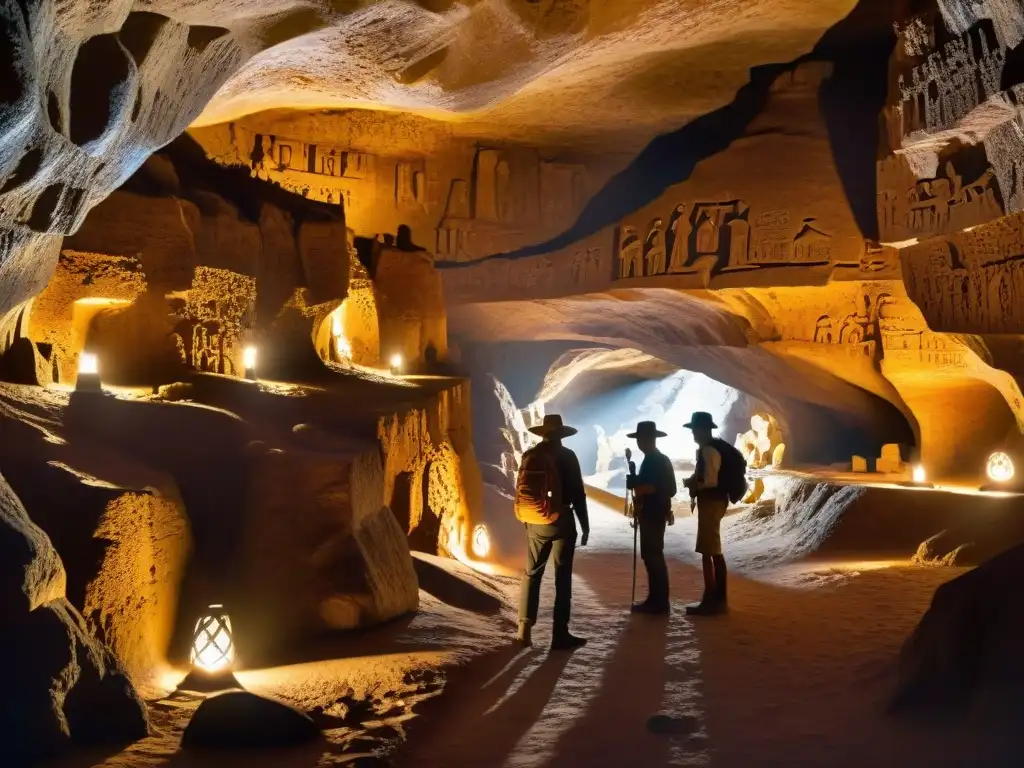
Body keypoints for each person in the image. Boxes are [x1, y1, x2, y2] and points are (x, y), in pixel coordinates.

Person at [515, 414, 590, 651]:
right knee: (562, 576)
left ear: (543, 433)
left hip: (535, 522)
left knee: (532, 573)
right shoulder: (567, 456)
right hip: (562, 521)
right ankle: (559, 634)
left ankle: (524, 630)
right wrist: (585, 525)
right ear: (562, 435)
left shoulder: (530, 455)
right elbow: (578, 494)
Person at [626, 421, 677, 615]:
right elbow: (667, 488)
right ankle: (657, 600)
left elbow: (659, 487)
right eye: (639, 439)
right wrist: (638, 481)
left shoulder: (654, 460)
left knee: (653, 556)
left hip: (652, 513)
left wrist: (638, 486)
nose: (640, 442)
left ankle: (658, 603)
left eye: (642, 438)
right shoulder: (658, 459)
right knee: (652, 555)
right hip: (655, 512)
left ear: (650, 439)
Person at [683, 412, 730, 616]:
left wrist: (695, 484)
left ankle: (713, 600)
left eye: (695, 429)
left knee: (709, 550)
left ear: (703, 430)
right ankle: (716, 598)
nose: (693, 433)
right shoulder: (706, 449)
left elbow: (711, 482)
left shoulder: (709, 451)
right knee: (711, 549)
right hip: (711, 501)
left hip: (712, 501)